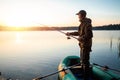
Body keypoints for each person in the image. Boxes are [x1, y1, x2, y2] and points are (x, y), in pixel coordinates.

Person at [66, 10, 93, 79]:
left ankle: (86, 77)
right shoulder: (82, 24)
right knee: (82, 60)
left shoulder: (87, 23)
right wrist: (70, 33)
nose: (78, 16)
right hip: (82, 45)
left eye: (78, 15)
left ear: (81, 15)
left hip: (86, 45)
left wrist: (81, 38)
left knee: (85, 62)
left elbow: (90, 35)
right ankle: (83, 74)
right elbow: (79, 33)